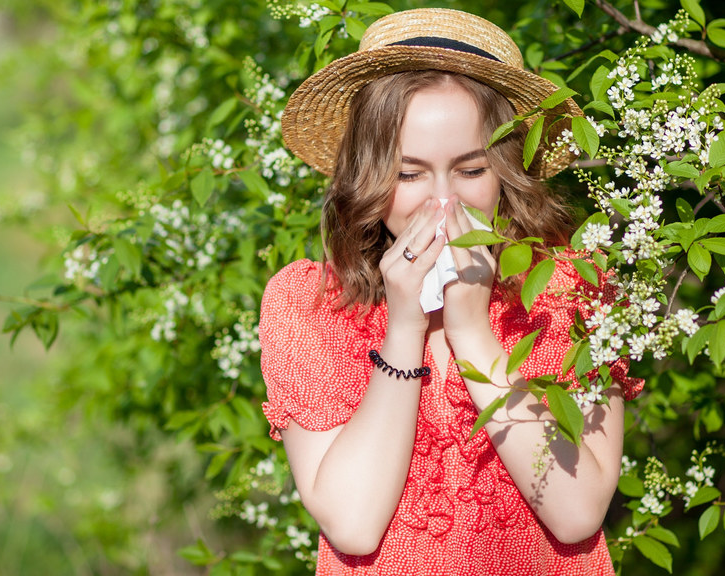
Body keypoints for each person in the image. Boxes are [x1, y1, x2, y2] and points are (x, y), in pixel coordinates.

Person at [259, 8, 642, 575]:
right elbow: (353, 524)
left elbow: (577, 512)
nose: (442, 202)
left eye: (469, 170)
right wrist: (406, 327)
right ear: (367, 175)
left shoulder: (571, 288)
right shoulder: (309, 304)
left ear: (507, 170)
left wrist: (470, 329)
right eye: (409, 174)